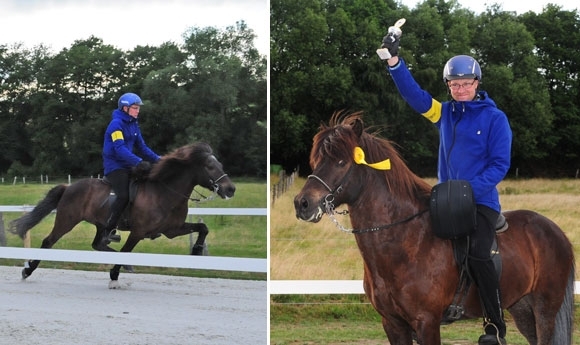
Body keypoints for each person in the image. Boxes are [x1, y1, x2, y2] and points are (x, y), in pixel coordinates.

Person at [378, 25, 512, 345]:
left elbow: (500, 165)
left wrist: (468, 191)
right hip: (444, 200)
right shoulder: (444, 113)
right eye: (454, 84)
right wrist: (395, 62)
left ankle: (495, 325)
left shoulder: (495, 119)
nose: (460, 89)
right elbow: (415, 95)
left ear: (477, 84)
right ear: (449, 86)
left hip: (480, 202)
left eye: (466, 84)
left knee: (479, 253)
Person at [102, 92, 161, 244]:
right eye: (135, 108)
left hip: (129, 164)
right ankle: (108, 230)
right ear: (125, 108)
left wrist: (160, 160)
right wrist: (138, 162)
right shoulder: (116, 125)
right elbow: (119, 149)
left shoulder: (133, 124)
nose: (138, 110)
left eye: (138, 108)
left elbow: (142, 147)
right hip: (115, 166)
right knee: (123, 196)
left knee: (147, 187)